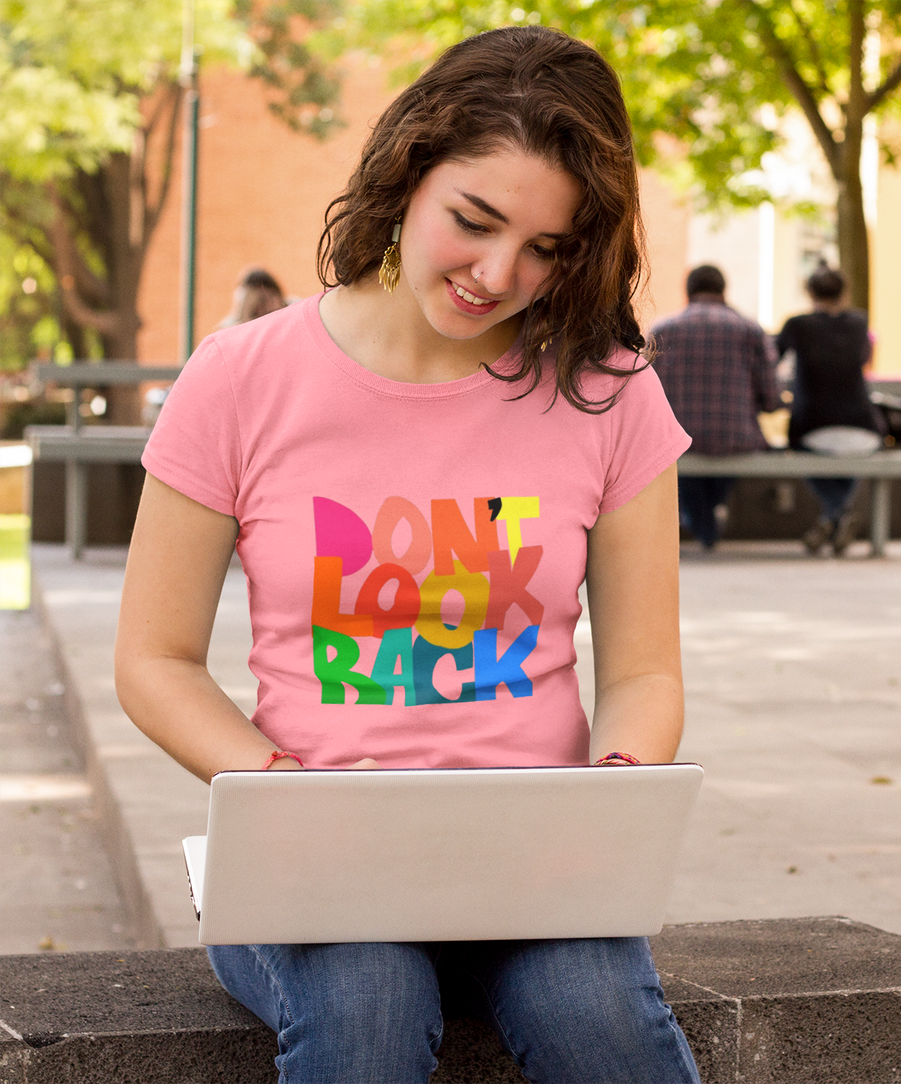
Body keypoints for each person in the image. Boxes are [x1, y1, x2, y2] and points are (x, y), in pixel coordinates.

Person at [113, 27, 700, 1084]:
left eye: (546, 248)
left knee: (598, 1015)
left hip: (536, 866)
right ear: (406, 174)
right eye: (472, 222)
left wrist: (613, 798)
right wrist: (282, 788)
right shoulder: (238, 378)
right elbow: (153, 660)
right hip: (310, 862)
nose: (497, 274)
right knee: (367, 1006)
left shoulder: (607, 389)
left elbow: (646, 671)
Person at [651, 264, 781, 549]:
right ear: (723, 291)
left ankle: (701, 521)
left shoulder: (662, 330)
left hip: (678, 439)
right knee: (724, 445)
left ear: (688, 292)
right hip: (736, 437)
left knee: (682, 449)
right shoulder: (750, 330)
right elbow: (772, 397)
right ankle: (707, 519)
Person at [775, 265, 881, 556]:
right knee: (849, 457)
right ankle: (835, 516)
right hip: (865, 427)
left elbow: (772, 358)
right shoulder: (859, 323)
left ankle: (837, 512)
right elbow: (863, 359)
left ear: (809, 292)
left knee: (802, 453)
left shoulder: (797, 325)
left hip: (812, 427)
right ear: (844, 292)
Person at [217, 266, 288, 327]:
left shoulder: (291, 310)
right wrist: (244, 317)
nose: (267, 307)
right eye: (260, 301)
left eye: (270, 298)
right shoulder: (231, 327)